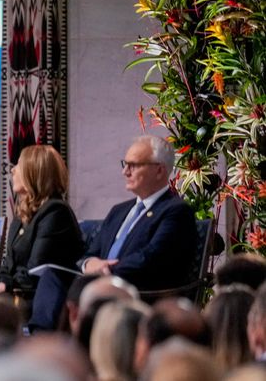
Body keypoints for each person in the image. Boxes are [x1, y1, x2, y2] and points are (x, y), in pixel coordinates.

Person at [29, 135, 197, 331]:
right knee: (53, 276)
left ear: (159, 170)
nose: (125, 171)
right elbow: (91, 251)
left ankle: (52, 342)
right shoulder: (119, 211)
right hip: (98, 281)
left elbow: (152, 257)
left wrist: (107, 271)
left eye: (134, 165)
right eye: (125, 164)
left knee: (77, 289)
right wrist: (88, 263)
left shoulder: (175, 210)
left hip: (136, 288)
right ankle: (39, 335)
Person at [0, 144, 83, 297]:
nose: (12, 170)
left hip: (36, 298)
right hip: (15, 294)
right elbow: (7, 268)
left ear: (35, 172)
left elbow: (34, 272)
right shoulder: (22, 214)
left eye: (19, 165)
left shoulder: (56, 212)